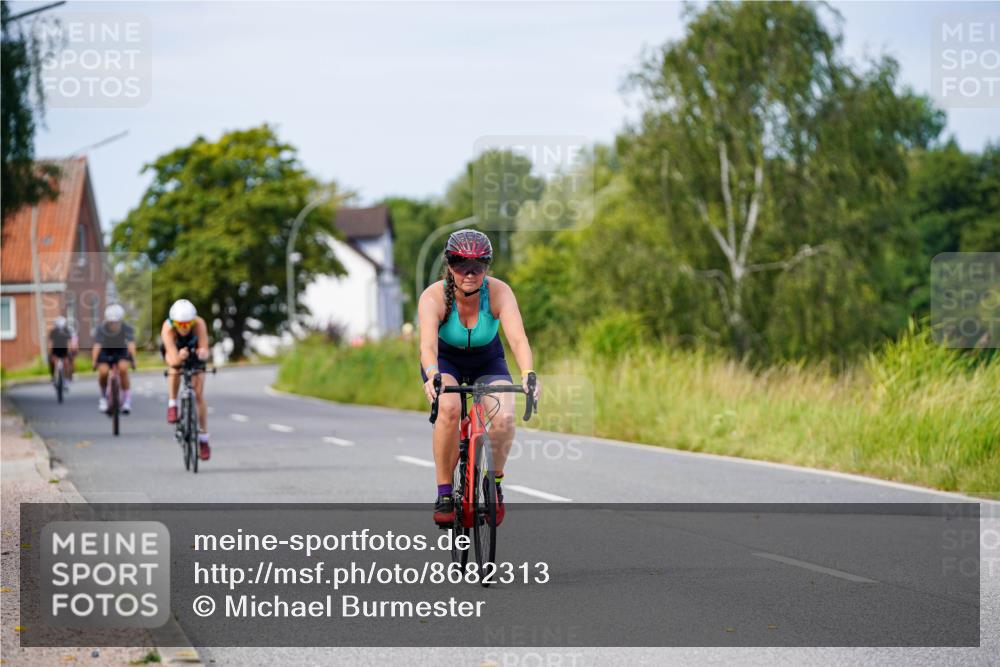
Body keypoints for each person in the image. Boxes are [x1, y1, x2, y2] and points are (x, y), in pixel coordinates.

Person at [417, 229, 540, 527]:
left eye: (478, 265)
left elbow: (518, 339)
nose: (470, 273)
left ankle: (494, 483)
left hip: (488, 359)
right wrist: (433, 375)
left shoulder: (499, 292)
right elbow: (427, 346)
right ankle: (445, 493)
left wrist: (527, 373)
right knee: (448, 409)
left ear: (487, 266)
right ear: (449, 265)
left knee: (504, 418)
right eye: (461, 264)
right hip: (445, 360)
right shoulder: (434, 296)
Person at [160, 299, 212, 460]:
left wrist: (202, 353)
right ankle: (172, 403)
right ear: (173, 322)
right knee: (174, 370)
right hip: (175, 352)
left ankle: (203, 439)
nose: (184, 328)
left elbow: (204, 348)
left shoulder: (199, 324)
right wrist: (179, 357)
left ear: (193, 321)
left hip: (194, 353)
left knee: (198, 394)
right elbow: (174, 359)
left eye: (188, 324)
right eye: (180, 324)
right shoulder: (168, 328)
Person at [91, 304, 136, 414]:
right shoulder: (100, 329)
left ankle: (126, 400)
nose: (114, 325)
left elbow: (131, 344)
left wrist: (133, 360)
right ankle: (103, 397)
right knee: (103, 372)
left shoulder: (127, 328)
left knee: (123, 369)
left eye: (116, 322)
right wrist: (94, 361)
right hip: (105, 351)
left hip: (121, 350)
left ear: (121, 321)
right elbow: (97, 346)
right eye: (111, 322)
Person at [48, 316, 78, 384]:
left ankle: (66, 378)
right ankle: (53, 377)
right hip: (55, 350)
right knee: (53, 362)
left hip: (64, 350)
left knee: (66, 363)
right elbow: (50, 343)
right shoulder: (53, 332)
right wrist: (51, 353)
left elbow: (69, 343)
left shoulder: (67, 331)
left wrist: (69, 353)